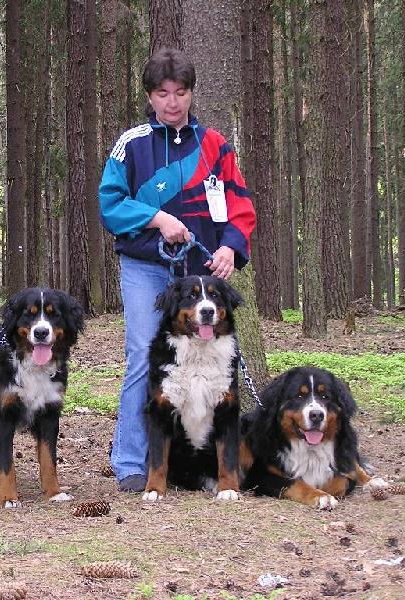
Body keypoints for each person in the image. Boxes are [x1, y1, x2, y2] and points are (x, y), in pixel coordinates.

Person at [99, 48, 256, 492]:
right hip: (145, 268)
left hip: (202, 275)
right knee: (142, 359)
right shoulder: (131, 145)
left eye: (180, 92)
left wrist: (230, 248)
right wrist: (158, 219)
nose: (172, 102)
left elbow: (240, 205)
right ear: (150, 96)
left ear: (191, 94)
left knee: (211, 363)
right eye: (163, 93)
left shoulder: (214, 146)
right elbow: (110, 205)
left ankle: (201, 459)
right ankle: (131, 463)